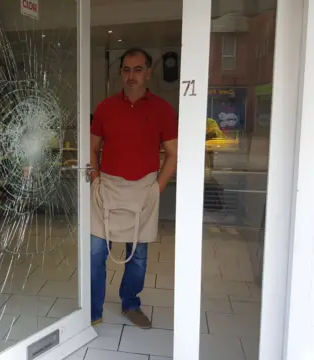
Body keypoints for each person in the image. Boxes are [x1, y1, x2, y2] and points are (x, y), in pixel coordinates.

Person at [89, 48, 178, 329]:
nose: (131, 75)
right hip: (107, 188)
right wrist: (95, 180)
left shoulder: (162, 108)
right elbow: (92, 147)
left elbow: (173, 153)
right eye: (126, 70)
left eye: (137, 69)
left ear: (148, 73)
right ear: (121, 74)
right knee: (95, 253)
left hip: (144, 189)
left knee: (138, 256)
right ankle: (92, 311)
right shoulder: (105, 107)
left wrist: (156, 189)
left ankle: (130, 304)